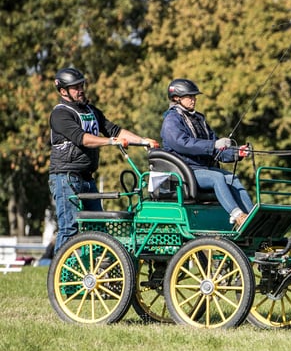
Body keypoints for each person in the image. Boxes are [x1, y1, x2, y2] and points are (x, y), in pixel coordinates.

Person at [48, 67, 158, 251]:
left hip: (87, 178)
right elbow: (82, 138)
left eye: (81, 85)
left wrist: (143, 141)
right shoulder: (60, 114)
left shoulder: (91, 110)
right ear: (63, 91)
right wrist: (111, 141)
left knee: (98, 228)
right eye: (75, 87)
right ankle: (59, 269)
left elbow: (115, 130)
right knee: (69, 228)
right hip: (65, 177)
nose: (81, 90)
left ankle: (98, 265)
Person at [160, 78, 253, 229]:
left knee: (232, 178)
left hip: (203, 169)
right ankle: (237, 215)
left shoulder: (199, 120)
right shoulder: (172, 120)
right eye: (189, 96)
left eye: (194, 96)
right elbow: (183, 144)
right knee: (217, 177)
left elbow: (215, 150)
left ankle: (251, 217)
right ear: (176, 98)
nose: (194, 99)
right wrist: (213, 145)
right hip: (185, 172)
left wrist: (237, 153)